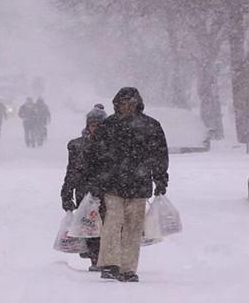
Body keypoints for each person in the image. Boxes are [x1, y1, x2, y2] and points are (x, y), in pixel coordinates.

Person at [87, 87, 169, 283]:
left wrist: (160, 178)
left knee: (133, 228)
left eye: (130, 103)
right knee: (112, 225)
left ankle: (128, 268)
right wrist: (96, 181)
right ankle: (110, 264)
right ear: (117, 104)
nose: (127, 107)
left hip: (138, 186)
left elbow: (159, 155)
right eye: (123, 103)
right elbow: (95, 156)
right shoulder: (109, 126)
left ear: (137, 104)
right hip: (113, 184)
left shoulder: (150, 126)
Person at [61, 103, 108, 270]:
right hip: (85, 193)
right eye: (92, 124)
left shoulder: (112, 145)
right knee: (90, 227)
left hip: (106, 191)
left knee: (105, 226)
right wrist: (66, 194)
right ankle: (95, 259)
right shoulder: (77, 145)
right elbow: (71, 171)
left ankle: (103, 258)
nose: (95, 128)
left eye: (98, 125)